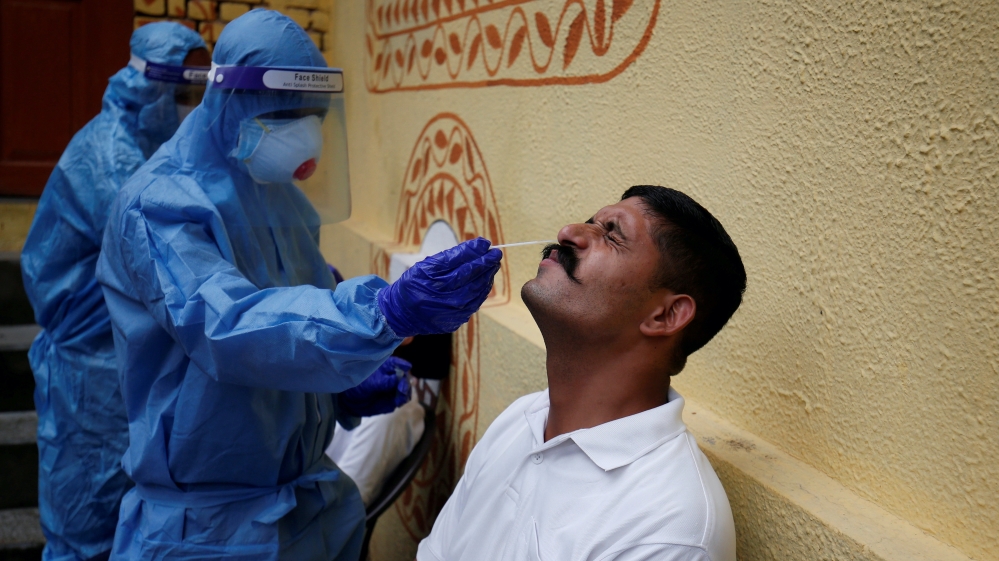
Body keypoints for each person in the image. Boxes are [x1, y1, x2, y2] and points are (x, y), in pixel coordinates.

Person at [94, 9, 502, 560]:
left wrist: (333, 393)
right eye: (285, 113)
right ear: (230, 102)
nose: (304, 132)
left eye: (312, 114)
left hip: (308, 506)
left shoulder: (276, 193)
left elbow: (291, 320)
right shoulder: (159, 205)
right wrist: (381, 313)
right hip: (208, 530)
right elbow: (229, 327)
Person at [417, 186, 747, 561]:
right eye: (591, 222)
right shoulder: (522, 418)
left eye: (612, 235)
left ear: (665, 315)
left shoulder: (668, 525)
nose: (568, 233)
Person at [19, 22, 209, 561]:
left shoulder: (158, 148)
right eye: (183, 94)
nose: (194, 108)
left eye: (201, 93)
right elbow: (168, 256)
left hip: (123, 353)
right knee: (85, 527)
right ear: (150, 86)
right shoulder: (110, 158)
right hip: (89, 368)